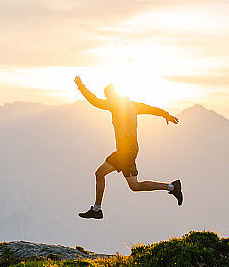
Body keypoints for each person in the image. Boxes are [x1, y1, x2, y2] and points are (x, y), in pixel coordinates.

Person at [75, 76, 183, 219]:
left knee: (124, 182)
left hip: (126, 151)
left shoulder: (114, 105)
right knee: (116, 179)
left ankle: (172, 187)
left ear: (111, 95)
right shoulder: (132, 105)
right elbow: (150, 109)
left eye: (107, 96)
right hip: (126, 150)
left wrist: (81, 86)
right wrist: (165, 115)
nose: (107, 99)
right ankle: (172, 187)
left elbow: (95, 101)